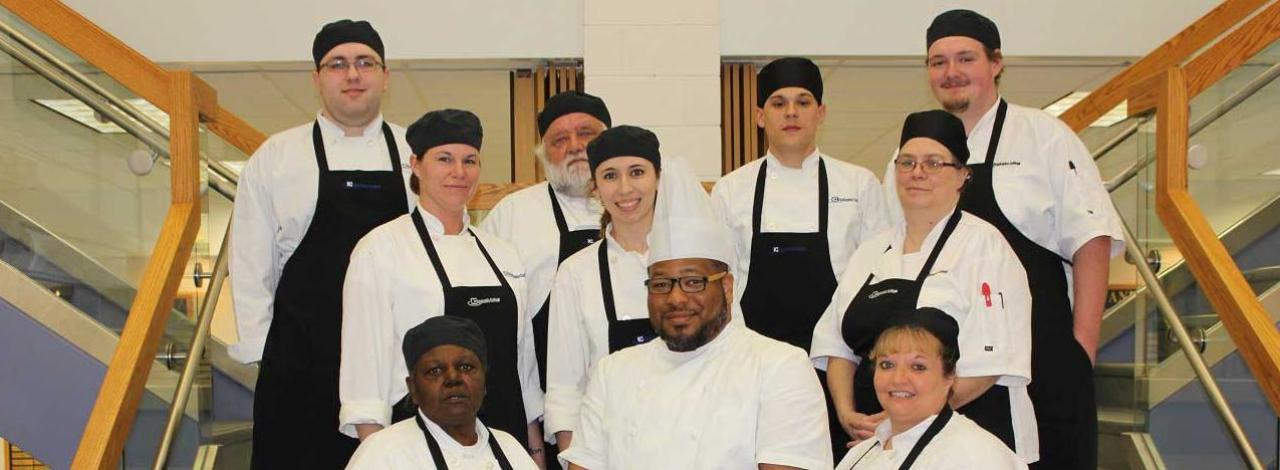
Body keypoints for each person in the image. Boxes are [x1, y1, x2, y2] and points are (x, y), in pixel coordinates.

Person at [883, 10, 1126, 469]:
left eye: (965, 58)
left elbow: (1091, 240)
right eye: (938, 62)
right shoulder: (909, 154)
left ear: (996, 63)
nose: (951, 72)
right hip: (942, 364)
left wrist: (1080, 350)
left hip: (1042, 355)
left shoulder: (1044, 136)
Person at [561, 143, 832, 469]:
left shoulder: (779, 367)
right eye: (661, 284)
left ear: (727, 287)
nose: (676, 298)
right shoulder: (612, 374)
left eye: (693, 282)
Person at [229, 19, 412, 469]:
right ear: (316, 79)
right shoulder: (276, 156)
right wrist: (263, 355)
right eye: (338, 64)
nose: (353, 75)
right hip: (301, 364)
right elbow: (252, 263)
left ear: (385, 77)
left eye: (365, 63)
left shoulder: (416, 152)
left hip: (395, 364)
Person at [812, 110, 1036, 463]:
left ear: (962, 175)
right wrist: (846, 413)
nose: (917, 173)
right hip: (876, 441)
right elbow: (836, 344)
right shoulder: (872, 250)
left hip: (964, 435)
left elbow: (992, 360)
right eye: (907, 162)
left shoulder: (984, 246)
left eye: (934, 163)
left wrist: (901, 419)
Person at [339, 109, 545, 465]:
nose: (459, 172)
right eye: (444, 159)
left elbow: (522, 363)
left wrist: (534, 448)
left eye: (470, 160)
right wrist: (378, 453)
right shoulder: (381, 249)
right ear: (416, 165)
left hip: (501, 438)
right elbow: (364, 372)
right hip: (418, 440)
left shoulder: (501, 251)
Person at [711, 56, 891, 459]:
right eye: (778, 102)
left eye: (803, 101)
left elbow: (876, 281)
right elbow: (723, 288)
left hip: (839, 368)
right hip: (756, 368)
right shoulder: (730, 191)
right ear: (760, 115)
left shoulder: (859, 184)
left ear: (821, 112)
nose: (791, 112)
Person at [545, 126, 692, 451]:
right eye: (610, 176)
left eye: (637, 172)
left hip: (696, 443)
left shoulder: (698, 263)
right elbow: (565, 391)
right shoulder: (575, 274)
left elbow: (733, 360)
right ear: (595, 187)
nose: (625, 188)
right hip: (611, 448)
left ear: (658, 177)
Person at [837, 308, 1027, 470]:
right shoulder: (860, 455)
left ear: (949, 376)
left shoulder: (977, 456)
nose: (898, 379)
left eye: (918, 367)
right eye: (887, 365)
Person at [347, 316, 540, 470]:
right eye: (435, 371)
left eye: (466, 367)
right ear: (413, 388)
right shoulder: (383, 454)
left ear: (484, 383)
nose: (453, 378)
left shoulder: (511, 450)